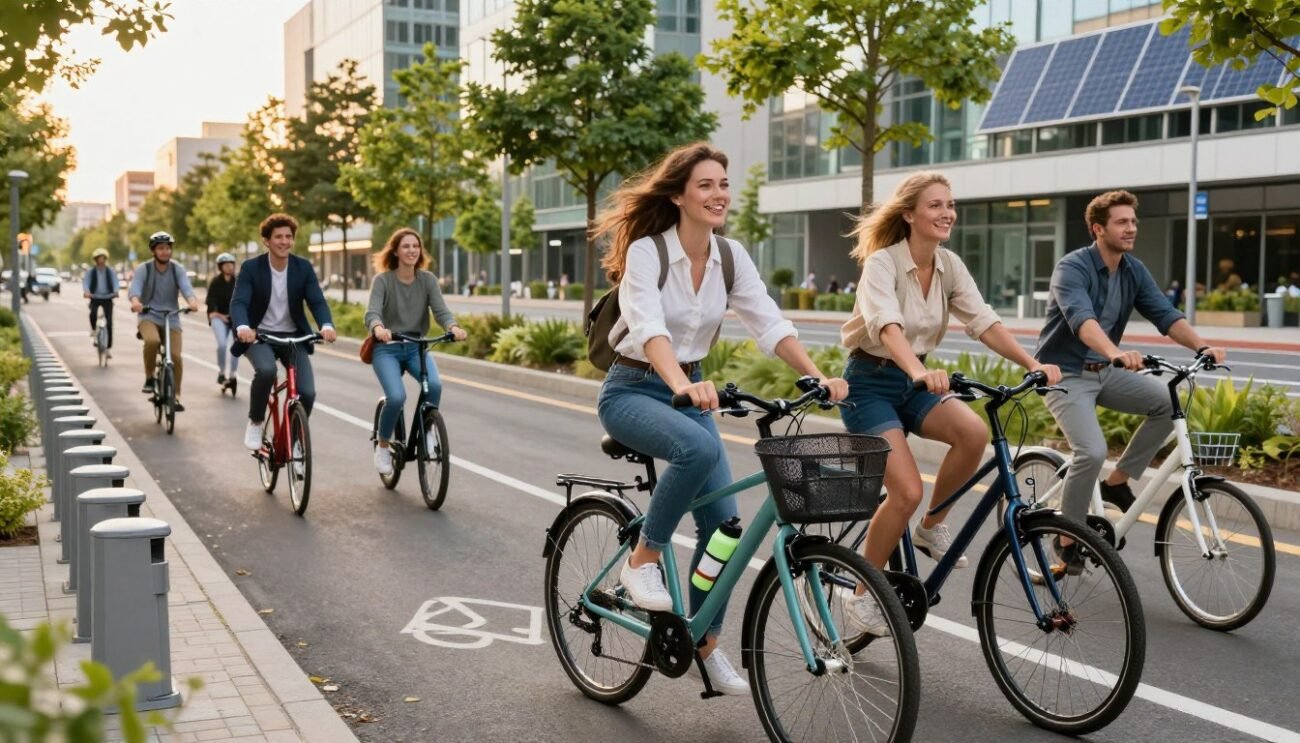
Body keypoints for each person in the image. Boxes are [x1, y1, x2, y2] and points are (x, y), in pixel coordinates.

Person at [590, 142, 848, 695]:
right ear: (680, 194)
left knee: (725, 530)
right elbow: (648, 324)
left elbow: (768, 321)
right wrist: (681, 384)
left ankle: (705, 644)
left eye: (723, 183)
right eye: (705, 184)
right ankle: (642, 560)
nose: (718, 194)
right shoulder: (647, 253)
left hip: (690, 387)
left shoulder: (730, 257)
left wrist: (816, 374)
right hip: (634, 386)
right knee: (699, 450)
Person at [839, 171, 1060, 635]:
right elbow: (886, 327)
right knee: (905, 492)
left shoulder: (949, 265)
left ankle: (930, 526)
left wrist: (1030, 362)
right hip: (870, 383)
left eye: (950, 205)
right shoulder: (881, 264)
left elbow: (983, 320)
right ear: (909, 214)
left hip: (913, 381)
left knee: (973, 433)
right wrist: (918, 370)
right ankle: (861, 593)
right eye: (936, 205)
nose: (947, 214)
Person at [1035, 190, 1225, 572]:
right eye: (1122, 222)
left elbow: (1165, 314)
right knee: (1090, 451)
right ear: (1098, 228)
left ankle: (1117, 482)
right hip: (1065, 374)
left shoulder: (1133, 270)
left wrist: (1202, 345)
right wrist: (1114, 352)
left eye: (1133, 222)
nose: (1131, 228)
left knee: (1165, 403)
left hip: (1106, 372)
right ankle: (1066, 536)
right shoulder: (1072, 268)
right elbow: (1081, 318)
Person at [365, 229, 467, 475]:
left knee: (434, 385)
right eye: (406, 246)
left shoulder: (427, 280)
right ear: (396, 251)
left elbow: (441, 311)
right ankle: (383, 445)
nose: (412, 250)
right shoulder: (383, 281)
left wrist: (453, 327)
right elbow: (372, 312)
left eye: (415, 246)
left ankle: (428, 432)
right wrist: (378, 328)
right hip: (386, 349)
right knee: (397, 398)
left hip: (415, 347)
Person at [232, 214, 337, 451]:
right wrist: (243, 327)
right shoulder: (252, 268)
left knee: (307, 393)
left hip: (292, 337)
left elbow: (317, 301)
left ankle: (294, 441)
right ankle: (256, 421)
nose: (284, 241)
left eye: (288, 237)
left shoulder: (303, 268)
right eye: (278, 237)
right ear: (266, 241)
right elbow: (239, 302)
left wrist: (326, 325)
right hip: (260, 335)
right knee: (267, 370)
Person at [128, 232, 200, 410]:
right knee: (152, 341)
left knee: (175, 356)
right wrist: (136, 302)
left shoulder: (177, 269)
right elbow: (135, 289)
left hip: (172, 316)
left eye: (168, 248)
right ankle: (150, 377)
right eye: (161, 248)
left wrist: (192, 302)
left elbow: (186, 288)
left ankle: (175, 396)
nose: (165, 251)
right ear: (153, 251)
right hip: (148, 315)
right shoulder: (144, 269)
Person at [207, 253, 240, 394]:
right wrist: (218, 315)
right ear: (221, 267)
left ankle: (232, 374)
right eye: (226, 264)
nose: (230, 267)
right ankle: (221, 372)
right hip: (219, 317)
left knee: (235, 347)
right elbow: (210, 301)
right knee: (221, 344)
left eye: (232, 264)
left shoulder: (238, 282)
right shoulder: (215, 282)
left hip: (234, 319)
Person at [82, 248, 119, 356]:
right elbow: (86, 283)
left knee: (109, 322)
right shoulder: (91, 272)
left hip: (108, 297)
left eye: (103, 258)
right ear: (96, 260)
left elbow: (115, 282)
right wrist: (86, 292)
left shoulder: (110, 271)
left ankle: (108, 347)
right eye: (99, 258)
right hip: (95, 297)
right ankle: (94, 330)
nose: (101, 260)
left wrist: (116, 291)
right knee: (93, 313)